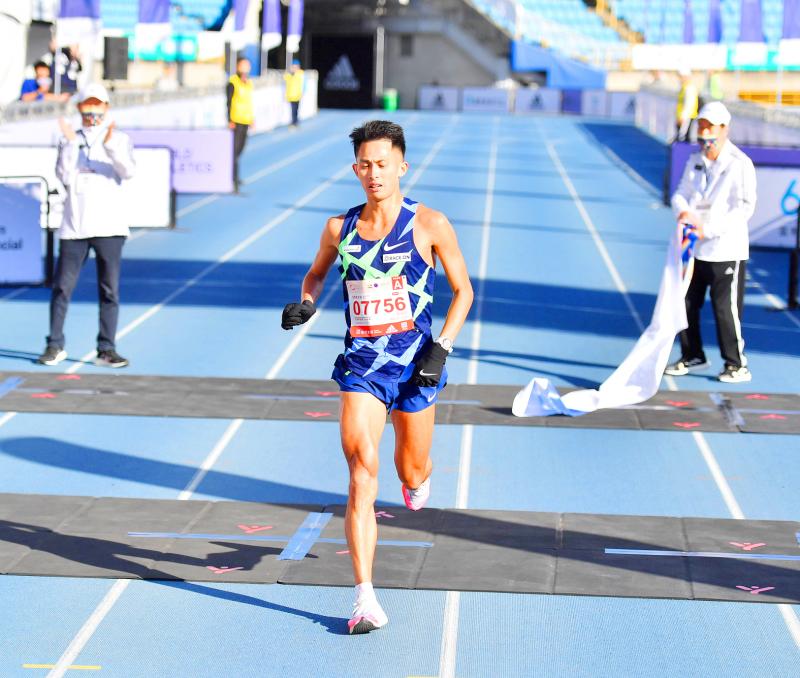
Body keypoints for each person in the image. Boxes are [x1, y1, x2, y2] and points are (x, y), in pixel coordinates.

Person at [280, 120, 473, 634]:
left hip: (415, 367)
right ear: (355, 169)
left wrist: (442, 348)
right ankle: (365, 598)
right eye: (365, 165)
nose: (374, 173)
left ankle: (418, 478)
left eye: (382, 164)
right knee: (361, 472)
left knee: (410, 470)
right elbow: (316, 273)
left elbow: (464, 292)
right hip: (362, 367)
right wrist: (306, 302)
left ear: (401, 166)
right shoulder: (338, 228)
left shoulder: (430, 224)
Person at [37, 84, 136, 368]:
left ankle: (106, 348)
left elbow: (127, 171)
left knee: (109, 290)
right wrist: (71, 144)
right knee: (62, 287)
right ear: (80, 109)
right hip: (75, 227)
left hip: (110, 227)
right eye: (87, 107)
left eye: (98, 107)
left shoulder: (120, 138)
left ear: (106, 108)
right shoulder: (69, 140)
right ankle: (55, 344)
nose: (93, 114)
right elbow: (64, 176)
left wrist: (109, 145)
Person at [665, 102, 757, 384]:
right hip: (695, 249)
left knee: (725, 310)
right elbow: (680, 193)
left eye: (710, 127)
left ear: (724, 129)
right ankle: (692, 354)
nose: (704, 132)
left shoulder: (739, 163)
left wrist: (710, 229)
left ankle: (736, 364)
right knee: (685, 303)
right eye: (702, 126)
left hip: (725, 250)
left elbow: (744, 207)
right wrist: (683, 212)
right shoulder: (695, 160)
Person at [226, 57, 254, 193]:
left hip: (245, 120)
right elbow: (228, 102)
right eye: (244, 65)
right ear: (238, 66)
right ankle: (233, 180)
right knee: (234, 151)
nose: (246, 67)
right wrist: (229, 120)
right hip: (236, 121)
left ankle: (234, 177)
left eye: (248, 65)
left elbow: (248, 102)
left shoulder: (248, 82)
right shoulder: (233, 82)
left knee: (241, 150)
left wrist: (252, 119)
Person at [675, 69, 698, 143]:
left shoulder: (689, 88)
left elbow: (689, 104)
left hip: (687, 117)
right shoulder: (684, 87)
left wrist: (683, 117)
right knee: (683, 136)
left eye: (681, 77)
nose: (680, 79)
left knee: (683, 137)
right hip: (683, 116)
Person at [283, 59, 304, 128]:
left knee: (295, 109)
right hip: (290, 95)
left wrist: (302, 92)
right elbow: (285, 81)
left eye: (295, 67)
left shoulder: (301, 74)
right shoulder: (289, 75)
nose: (294, 68)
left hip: (297, 95)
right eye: (293, 67)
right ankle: (294, 122)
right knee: (293, 109)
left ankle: (295, 122)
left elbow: (303, 84)